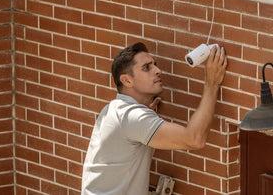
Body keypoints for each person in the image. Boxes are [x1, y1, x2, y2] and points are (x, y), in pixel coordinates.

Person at [81, 42, 227, 195]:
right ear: (127, 80)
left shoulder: (113, 109)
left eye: (155, 65)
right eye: (147, 68)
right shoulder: (132, 117)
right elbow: (194, 139)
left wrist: (144, 114)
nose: (158, 70)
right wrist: (212, 83)